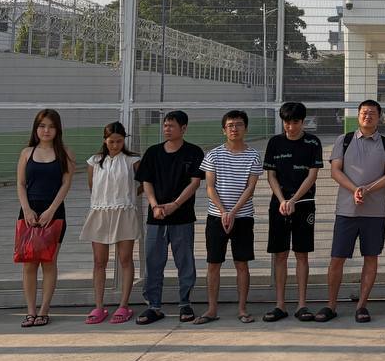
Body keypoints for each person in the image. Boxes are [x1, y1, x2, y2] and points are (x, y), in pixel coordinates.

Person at [322, 99, 385, 323]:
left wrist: (367, 190)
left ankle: (362, 306)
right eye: (364, 112)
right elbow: (335, 171)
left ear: (379, 117)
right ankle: (331, 305)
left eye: (372, 113)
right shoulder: (344, 140)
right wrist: (355, 189)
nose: (368, 116)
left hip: (375, 212)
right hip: (346, 210)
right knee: (337, 258)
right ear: (358, 116)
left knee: (371, 257)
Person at [136, 111, 205, 325]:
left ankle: (185, 303)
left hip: (182, 217)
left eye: (171, 126)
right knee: (153, 262)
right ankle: (153, 306)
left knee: (185, 262)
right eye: (165, 125)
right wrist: (154, 205)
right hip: (156, 217)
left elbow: (195, 182)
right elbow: (146, 182)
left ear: (183, 128)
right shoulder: (153, 152)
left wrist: (175, 204)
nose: (167, 129)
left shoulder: (193, 152)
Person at [197, 110, 263, 324]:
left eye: (239, 124)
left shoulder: (253, 156)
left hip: (243, 217)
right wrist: (223, 212)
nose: (235, 129)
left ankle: (242, 309)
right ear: (224, 130)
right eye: (230, 125)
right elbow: (210, 187)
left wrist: (233, 212)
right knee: (213, 263)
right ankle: (211, 309)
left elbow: (250, 188)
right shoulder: (213, 155)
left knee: (241, 264)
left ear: (246, 128)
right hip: (216, 217)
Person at [263, 101, 323, 323]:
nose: (291, 127)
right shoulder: (275, 143)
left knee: (301, 254)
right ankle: (280, 304)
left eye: (295, 122)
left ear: (303, 121)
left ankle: (301, 304)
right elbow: (271, 175)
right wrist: (282, 200)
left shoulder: (313, 142)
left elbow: (312, 175)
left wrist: (294, 199)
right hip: (279, 205)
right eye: (287, 122)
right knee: (280, 254)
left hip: (304, 203)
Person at [15, 108, 74, 328]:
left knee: (49, 262)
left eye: (51, 126)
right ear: (35, 128)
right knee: (29, 264)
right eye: (42, 126)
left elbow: (66, 184)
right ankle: (30, 311)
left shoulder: (65, 153)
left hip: (54, 212)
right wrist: (27, 209)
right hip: (28, 212)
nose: (46, 130)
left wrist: (50, 210)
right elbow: (21, 184)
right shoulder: (26, 153)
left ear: (58, 129)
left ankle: (44, 310)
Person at [80, 121, 141, 324]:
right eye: (111, 141)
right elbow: (92, 186)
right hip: (100, 212)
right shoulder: (94, 161)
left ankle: (124, 305)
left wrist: (129, 197)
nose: (115, 145)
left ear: (124, 140)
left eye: (119, 141)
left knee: (125, 259)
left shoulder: (133, 160)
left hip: (125, 212)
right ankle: (99, 306)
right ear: (105, 140)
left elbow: (143, 184)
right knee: (99, 261)